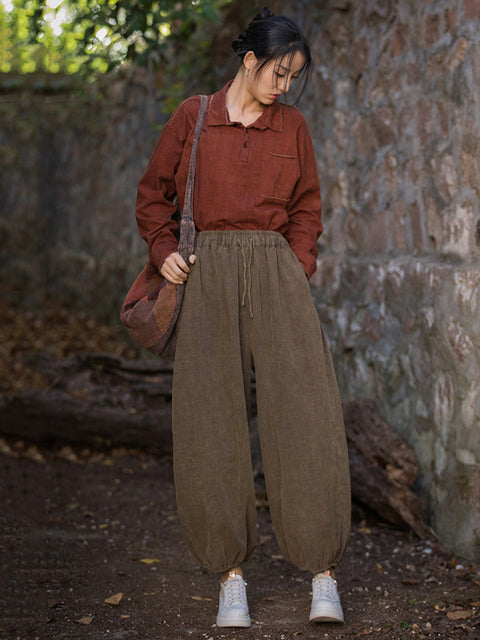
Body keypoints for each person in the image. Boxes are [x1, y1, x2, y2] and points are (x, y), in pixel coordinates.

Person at [135, 6, 351, 628]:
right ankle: (231, 577)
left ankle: (322, 574)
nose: (284, 87)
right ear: (250, 60)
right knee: (210, 414)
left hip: (276, 268)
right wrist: (165, 252)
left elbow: (307, 204)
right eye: (279, 73)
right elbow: (154, 195)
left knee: (305, 408)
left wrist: (298, 262)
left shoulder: (294, 129)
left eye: (295, 77)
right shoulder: (193, 117)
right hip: (205, 272)